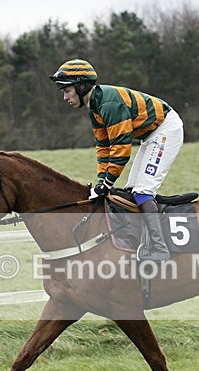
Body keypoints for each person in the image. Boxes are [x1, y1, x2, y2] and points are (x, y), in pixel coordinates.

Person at [49, 59, 184, 262]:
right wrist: (101, 181)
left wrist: (108, 183)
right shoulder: (95, 107)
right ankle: (142, 241)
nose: (65, 97)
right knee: (131, 191)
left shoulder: (109, 105)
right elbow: (104, 148)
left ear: (81, 86)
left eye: (67, 90)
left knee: (143, 191)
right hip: (151, 135)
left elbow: (120, 149)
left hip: (166, 129)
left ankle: (160, 248)